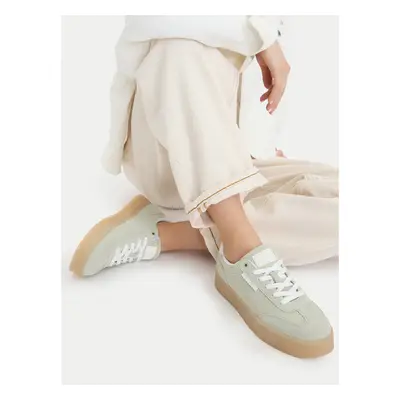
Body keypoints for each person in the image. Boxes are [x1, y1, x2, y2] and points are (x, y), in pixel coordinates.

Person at [69, 16, 338, 358]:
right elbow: (153, 19)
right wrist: (265, 38)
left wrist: (265, 146)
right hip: (169, 156)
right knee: (177, 50)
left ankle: (173, 233)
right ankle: (240, 247)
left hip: (239, 161)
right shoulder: (256, 30)